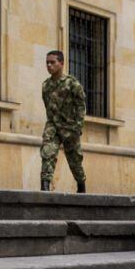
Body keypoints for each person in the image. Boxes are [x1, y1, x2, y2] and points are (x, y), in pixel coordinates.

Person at [41, 50, 87, 193]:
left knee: (75, 161)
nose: (49, 65)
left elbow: (81, 106)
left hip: (70, 127)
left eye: (52, 62)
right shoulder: (45, 85)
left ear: (61, 63)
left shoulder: (72, 84)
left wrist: (78, 126)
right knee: (47, 152)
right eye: (47, 62)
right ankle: (45, 185)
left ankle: (81, 186)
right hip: (53, 126)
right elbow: (47, 105)